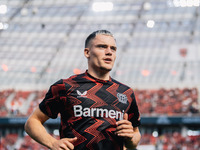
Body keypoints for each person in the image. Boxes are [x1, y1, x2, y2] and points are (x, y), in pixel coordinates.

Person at [25, 30, 141, 150]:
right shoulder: (66, 86)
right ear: (87, 52)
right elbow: (32, 122)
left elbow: (135, 133)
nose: (109, 52)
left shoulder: (126, 93)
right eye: (102, 47)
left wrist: (131, 138)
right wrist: (52, 143)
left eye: (113, 49)